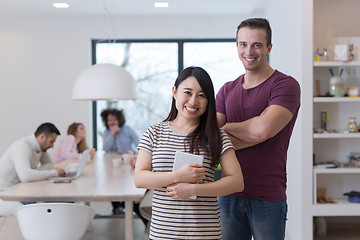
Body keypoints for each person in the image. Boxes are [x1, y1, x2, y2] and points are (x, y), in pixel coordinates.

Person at [215, 18, 301, 240]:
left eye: (257, 44)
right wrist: (253, 129)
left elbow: (263, 130)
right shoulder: (226, 90)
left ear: (269, 48)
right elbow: (210, 138)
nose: (249, 51)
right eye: (243, 44)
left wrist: (227, 129)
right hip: (228, 192)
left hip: (268, 194)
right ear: (237, 46)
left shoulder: (285, 85)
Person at [135, 66, 244, 239]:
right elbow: (140, 179)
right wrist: (179, 175)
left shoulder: (216, 135)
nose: (193, 101)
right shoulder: (154, 133)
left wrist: (193, 189)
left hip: (204, 233)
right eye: (187, 92)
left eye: (201, 95)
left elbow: (237, 182)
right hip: (163, 233)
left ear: (208, 101)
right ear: (174, 92)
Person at [0, 122, 65, 192]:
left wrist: (32, 173)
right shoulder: (22, 146)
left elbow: (50, 165)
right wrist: (54, 173)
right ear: (42, 137)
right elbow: (25, 176)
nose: (52, 146)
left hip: (18, 188)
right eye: (51, 142)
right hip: (5, 193)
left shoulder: (39, 147)